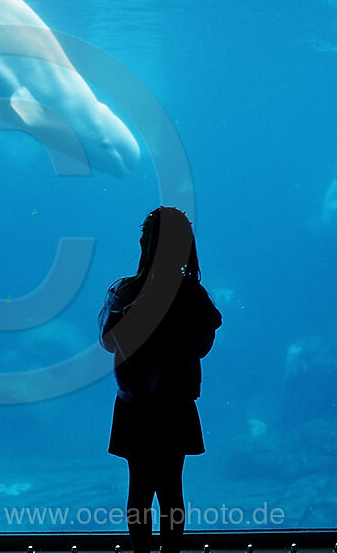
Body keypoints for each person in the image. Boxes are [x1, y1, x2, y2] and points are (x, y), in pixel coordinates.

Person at [99, 207, 222, 553]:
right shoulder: (192, 295)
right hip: (171, 404)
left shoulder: (127, 292)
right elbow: (203, 345)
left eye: (146, 240)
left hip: (139, 405)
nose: (142, 246)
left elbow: (109, 341)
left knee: (142, 489)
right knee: (170, 490)